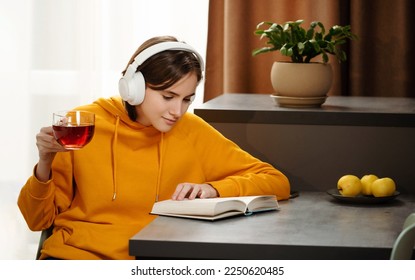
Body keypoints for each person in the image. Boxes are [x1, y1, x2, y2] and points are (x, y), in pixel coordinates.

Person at [18, 35, 290, 260]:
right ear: (132, 88)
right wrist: (45, 161)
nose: (177, 110)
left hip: (153, 261)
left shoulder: (192, 130)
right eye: (168, 96)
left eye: (187, 99)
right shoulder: (84, 126)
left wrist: (214, 189)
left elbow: (276, 182)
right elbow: (37, 221)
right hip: (74, 257)